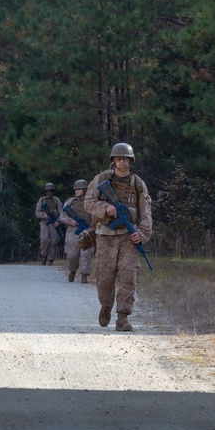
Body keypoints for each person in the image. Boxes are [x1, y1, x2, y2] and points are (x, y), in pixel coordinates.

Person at [84, 143, 153, 333]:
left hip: (129, 239)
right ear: (113, 160)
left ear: (130, 161)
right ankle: (106, 306)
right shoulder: (101, 179)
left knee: (128, 276)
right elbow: (88, 203)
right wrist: (105, 208)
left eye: (125, 158)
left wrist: (143, 233)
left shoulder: (137, 184)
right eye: (118, 158)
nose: (122, 161)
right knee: (104, 278)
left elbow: (146, 212)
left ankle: (122, 317)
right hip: (105, 237)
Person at [60, 179, 95, 283]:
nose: (76, 191)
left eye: (79, 189)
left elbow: (97, 214)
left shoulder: (91, 202)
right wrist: (70, 221)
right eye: (75, 189)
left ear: (84, 190)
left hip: (88, 230)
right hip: (73, 230)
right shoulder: (70, 202)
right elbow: (62, 215)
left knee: (86, 254)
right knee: (72, 254)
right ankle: (72, 271)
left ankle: (84, 275)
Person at [35, 182, 63, 265]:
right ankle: (44, 256)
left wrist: (58, 221)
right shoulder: (42, 200)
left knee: (54, 241)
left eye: (51, 191)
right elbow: (37, 213)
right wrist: (44, 215)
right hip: (45, 222)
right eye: (48, 191)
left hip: (54, 222)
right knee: (45, 239)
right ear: (45, 191)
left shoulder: (57, 200)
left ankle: (51, 259)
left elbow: (61, 212)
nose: (49, 193)